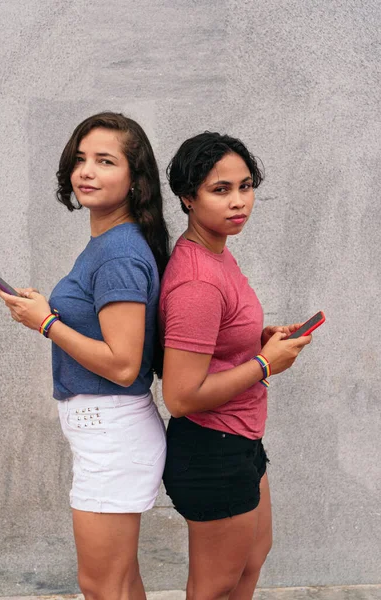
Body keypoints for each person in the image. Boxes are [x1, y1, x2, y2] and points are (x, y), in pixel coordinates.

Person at [0, 112, 170, 600]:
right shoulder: (110, 243)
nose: (86, 172)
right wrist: (48, 313)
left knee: (101, 586)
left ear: (135, 180)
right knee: (119, 583)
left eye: (104, 161)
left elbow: (122, 364)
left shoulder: (117, 253)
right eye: (80, 159)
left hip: (112, 435)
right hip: (107, 431)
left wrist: (47, 323)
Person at [159, 132, 312, 600]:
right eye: (220, 190)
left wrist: (256, 343)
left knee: (251, 559)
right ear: (188, 197)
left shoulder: (218, 252)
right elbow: (181, 396)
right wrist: (265, 365)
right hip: (212, 448)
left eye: (245, 187)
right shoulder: (198, 280)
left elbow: (215, 343)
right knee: (215, 586)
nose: (238, 202)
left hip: (240, 436)